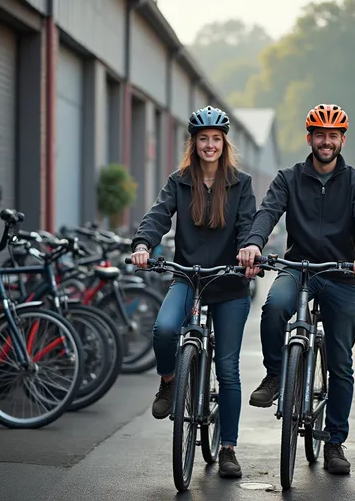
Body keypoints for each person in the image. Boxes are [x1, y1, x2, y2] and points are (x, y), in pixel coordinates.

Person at [237, 103, 355, 475]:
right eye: (320, 135)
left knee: (341, 362)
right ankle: (275, 374)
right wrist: (254, 242)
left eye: (333, 135)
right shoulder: (289, 178)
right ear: (310, 139)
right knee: (274, 306)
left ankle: (334, 442)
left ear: (342, 140)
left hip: (343, 273)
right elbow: (267, 212)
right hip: (299, 268)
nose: (326, 141)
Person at [130, 106, 256, 479]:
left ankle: (228, 448)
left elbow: (249, 223)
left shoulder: (240, 183)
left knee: (228, 369)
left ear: (224, 143)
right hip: (188, 277)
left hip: (229, 282)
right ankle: (169, 383)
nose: (210, 145)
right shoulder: (179, 181)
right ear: (194, 143)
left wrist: (250, 251)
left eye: (216, 139)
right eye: (204, 139)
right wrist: (142, 243)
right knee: (165, 329)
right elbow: (157, 216)